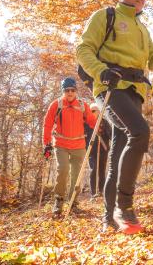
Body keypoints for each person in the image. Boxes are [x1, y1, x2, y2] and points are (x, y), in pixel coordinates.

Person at [76, 0, 153, 234]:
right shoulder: (106, 16)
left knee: (118, 153)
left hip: (135, 91)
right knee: (139, 132)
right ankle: (124, 206)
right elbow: (83, 49)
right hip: (109, 88)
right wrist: (100, 71)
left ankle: (108, 218)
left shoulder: (142, 29)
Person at [42, 77, 97, 216]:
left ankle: (73, 202)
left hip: (79, 145)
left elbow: (91, 121)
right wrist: (46, 143)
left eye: (72, 90)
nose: (70, 93)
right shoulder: (56, 105)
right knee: (63, 169)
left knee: (77, 175)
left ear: (76, 91)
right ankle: (58, 200)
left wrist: (99, 124)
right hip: (61, 144)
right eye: (67, 90)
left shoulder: (83, 105)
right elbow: (47, 124)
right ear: (63, 91)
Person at [85, 103, 111, 197]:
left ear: (99, 111)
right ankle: (93, 193)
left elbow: (111, 135)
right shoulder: (86, 123)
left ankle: (101, 191)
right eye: (90, 111)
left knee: (101, 171)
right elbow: (83, 136)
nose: (91, 113)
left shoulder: (104, 122)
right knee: (93, 170)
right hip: (91, 151)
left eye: (93, 111)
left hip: (103, 150)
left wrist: (103, 131)